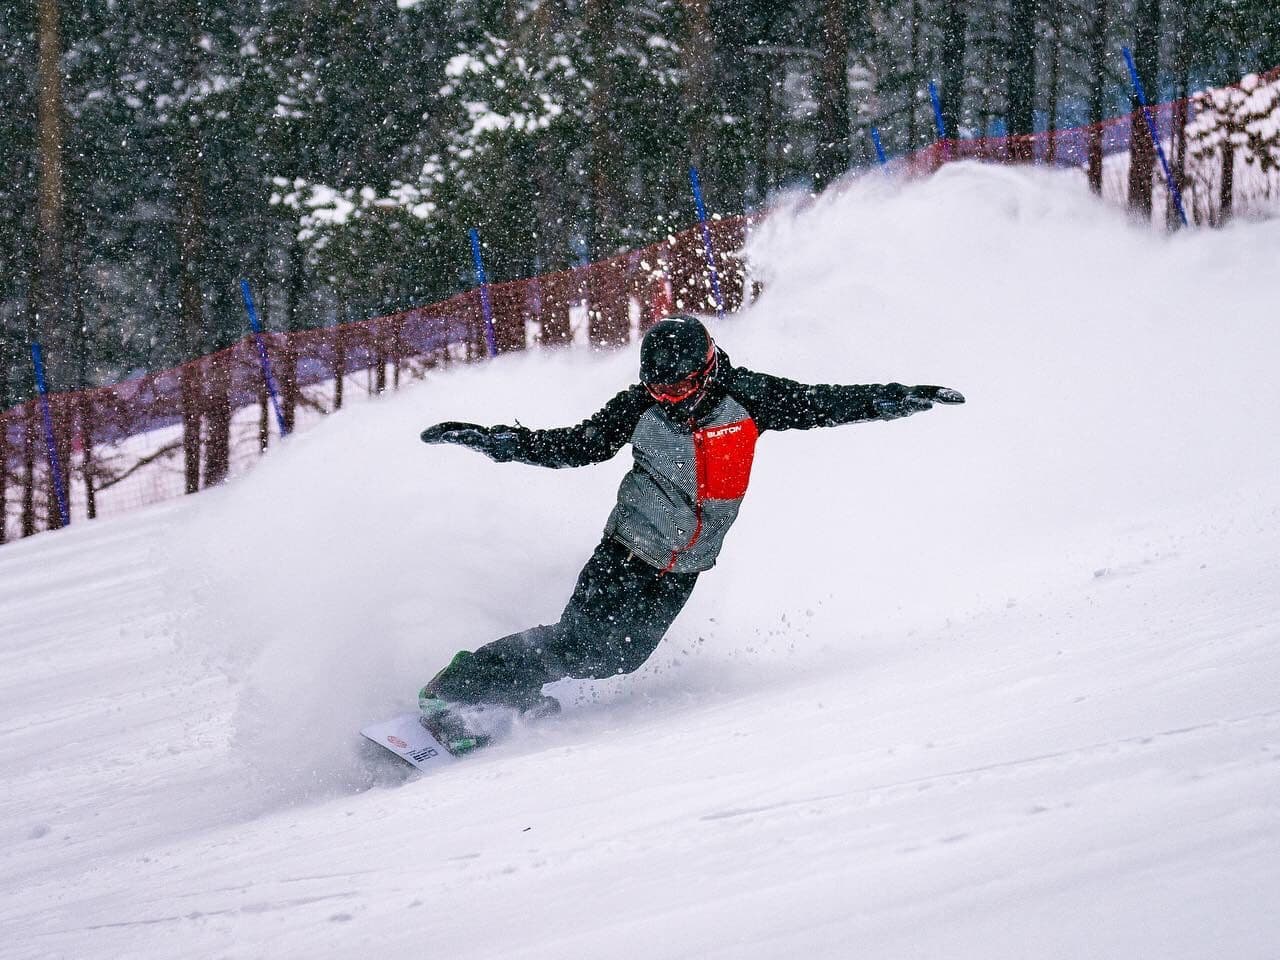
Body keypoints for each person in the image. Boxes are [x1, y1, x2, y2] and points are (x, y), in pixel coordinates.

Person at [417, 313, 964, 752]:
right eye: (657, 388)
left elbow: (822, 403)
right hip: (625, 551)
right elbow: (577, 446)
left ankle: (516, 687)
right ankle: (456, 689)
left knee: (618, 659)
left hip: (683, 567)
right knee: (580, 643)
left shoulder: (748, 396)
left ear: (704, 371)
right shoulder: (639, 407)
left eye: (678, 387)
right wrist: (502, 442)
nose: (669, 399)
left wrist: (891, 397)